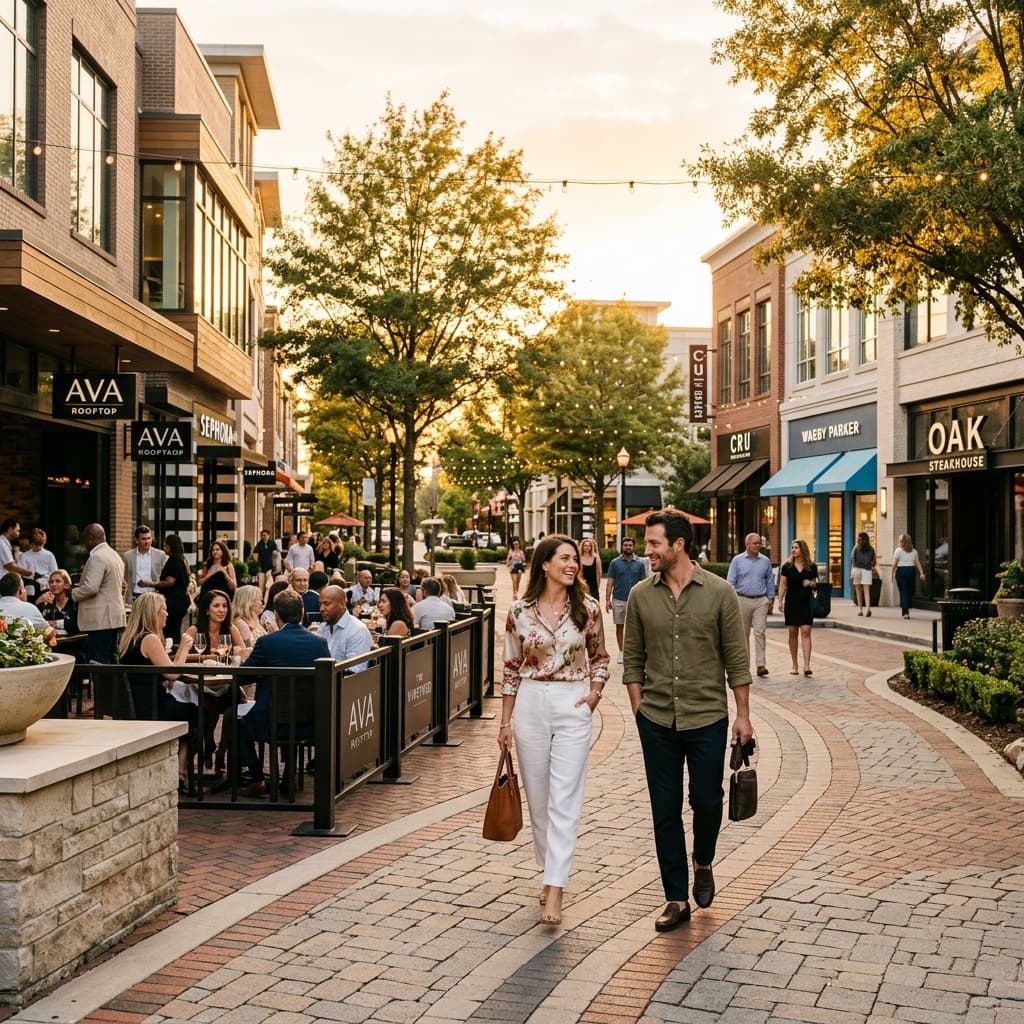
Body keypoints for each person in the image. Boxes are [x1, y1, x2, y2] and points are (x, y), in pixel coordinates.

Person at [623, 509, 752, 933]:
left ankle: (703, 859)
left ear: (678, 544)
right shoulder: (642, 595)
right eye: (647, 545)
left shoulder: (720, 593)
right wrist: (639, 708)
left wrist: (744, 716)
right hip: (657, 718)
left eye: (654, 544)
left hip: (707, 716)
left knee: (707, 800)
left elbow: (736, 658)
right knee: (664, 809)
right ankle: (676, 898)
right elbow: (634, 660)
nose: (648, 552)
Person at [501, 534, 610, 928]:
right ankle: (549, 869)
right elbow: (511, 668)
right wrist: (505, 722)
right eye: (564, 558)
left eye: (575, 560)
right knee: (539, 797)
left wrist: (595, 693)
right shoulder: (519, 611)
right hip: (530, 701)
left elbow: (600, 656)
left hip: (572, 702)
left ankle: (556, 887)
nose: (573, 564)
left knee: (565, 797)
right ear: (544, 564)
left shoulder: (589, 609)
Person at [239, 589, 331, 796]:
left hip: (272, 721)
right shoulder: (319, 643)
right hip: (310, 721)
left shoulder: (268, 642)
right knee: (291, 712)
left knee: (238, 726)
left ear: (277, 616)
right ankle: (288, 775)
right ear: (301, 613)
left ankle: (257, 778)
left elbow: (244, 676)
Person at [118, 593, 197, 792]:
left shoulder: (129, 639)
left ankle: (178, 769)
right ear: (153, 613)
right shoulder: (150, 639)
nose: (167, 613)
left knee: (191, 709)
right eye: (164, 609)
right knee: (197, 712)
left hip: (137, 703)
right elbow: (172, 673)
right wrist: (185, 648)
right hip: (151, 707)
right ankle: (180, 771)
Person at [184, 589, 243, 772]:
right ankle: (209, 745)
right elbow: (183, 655)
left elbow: (241, 650)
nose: (221, 610)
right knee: (206, 704)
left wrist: (237, 652)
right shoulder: (195, 630)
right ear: (207, 610)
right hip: (201, 684)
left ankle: (220, 751)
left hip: (225, 684)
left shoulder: (231, 629)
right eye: (216, 606)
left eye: (225, 606)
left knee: (236, 704)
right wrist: (208, 657)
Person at [71, 523, 125, 664]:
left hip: (100, 619)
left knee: (99, 662)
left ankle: (104, 687)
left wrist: (73, 593)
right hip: (113, 616)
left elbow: (91, 587)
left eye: (84, 539)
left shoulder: (97, 557)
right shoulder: (114, 555)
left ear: (90, 538)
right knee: (112, 660)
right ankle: (114, 687)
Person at [727, 533, 775, 678]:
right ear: (747, 545)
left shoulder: (765, 561)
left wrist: (771, 597)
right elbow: (730, 581)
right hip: (742, 599)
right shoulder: (737, 561)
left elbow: (769, 580)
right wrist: (732, 600)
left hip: (760, 600)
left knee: (760, 632)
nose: (758, 545)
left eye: (759, 543)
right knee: (743, 634)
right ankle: (744, 666)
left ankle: (761, 665)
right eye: (755, 543)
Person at [604, 536, 650, 663]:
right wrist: (607, 599)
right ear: (622, 547)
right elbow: (610, 582)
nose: (628, 547)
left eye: (630, 545)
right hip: (619, 599)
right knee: (620, 626)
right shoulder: (615, 563)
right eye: (626, 545)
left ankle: (636, 652)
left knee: (638, 627)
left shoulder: (639, 564)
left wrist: (646, 600)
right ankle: (622, 652)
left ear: (633, 547)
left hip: (636, 601)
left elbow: (644, 582)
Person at [778, 539, 818, 676]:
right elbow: (783, 584)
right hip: (792, 602)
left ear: (803, 550)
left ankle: (806, 666)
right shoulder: (787, 567)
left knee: (806, 631)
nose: (793, 550)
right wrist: (780, 601)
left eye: (796, 547)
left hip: (806, 602)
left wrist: (810, 584)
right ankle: (794, 665)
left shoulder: (811, 567)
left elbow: (816, 584)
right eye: (792, 547)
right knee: (793, 632)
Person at [315, 585, 374, 669]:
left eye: (326, 604)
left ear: (342, 604)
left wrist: (331, 667)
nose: (321, 609)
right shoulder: (322, 627)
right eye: (320, 604)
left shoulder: (357, 630)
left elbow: (355, 671)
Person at [149, 534, 191, 642]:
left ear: (170, 546)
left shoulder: (174, 560)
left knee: (169, 630)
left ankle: (171, 650)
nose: (164, 548)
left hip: (174, 601)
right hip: (182, 600)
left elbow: (169, 582)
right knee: (175, 629)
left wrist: (151, 584)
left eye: (165, 546)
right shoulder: (183, 559)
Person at [122, 525, 167, 605]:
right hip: (134, 596)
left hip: (153, 596)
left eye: (149, 538)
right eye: (143, 539)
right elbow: (123, 577)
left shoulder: (160, 555)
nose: (147, 541)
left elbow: (165, 576)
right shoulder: (127, 556)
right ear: (136, 540)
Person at [892, 533, 925, 619]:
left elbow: (894, 564)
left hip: (901, 571)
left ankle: (906, 613)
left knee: (903, 591)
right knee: (907, 591)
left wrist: (891, 574)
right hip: (911, 571)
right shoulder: (914, 551)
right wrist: (921, 573)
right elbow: (917, 562)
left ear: (903, 542)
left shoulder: (898, 550)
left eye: (900, 540)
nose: (899, 542)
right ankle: (904, 611)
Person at [36, 569, 78, 634]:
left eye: (58, 581)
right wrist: (38, 602)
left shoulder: (74, 602)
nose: (53, 584)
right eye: (51, 582)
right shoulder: (46, 603)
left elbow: (75, 625)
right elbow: (39, 624)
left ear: (66, 585)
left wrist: (53, 623)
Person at [849, 532, 876, 617]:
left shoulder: (856, 548)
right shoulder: (871, 549)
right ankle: (868, 608)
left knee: (858, 590)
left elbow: (852, 559)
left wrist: (851, 571)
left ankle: (860, 610)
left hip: (857, 569)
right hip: (867, 570)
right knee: (866, 591)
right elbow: (874, 562)